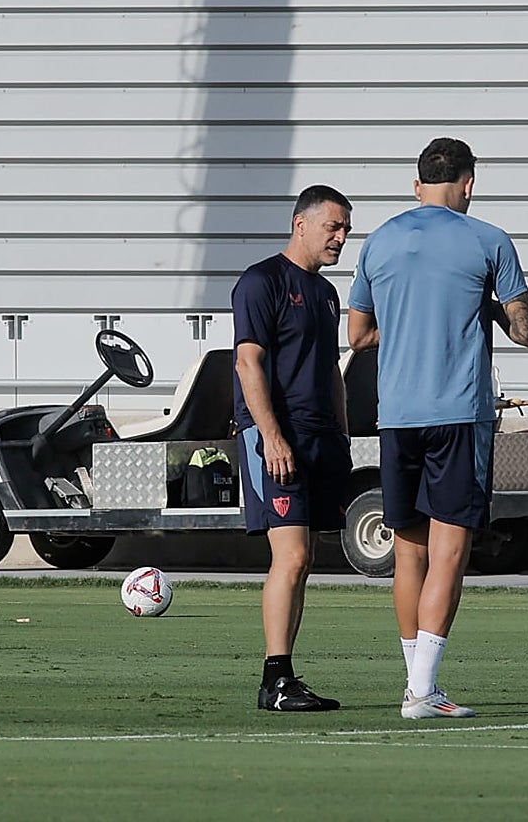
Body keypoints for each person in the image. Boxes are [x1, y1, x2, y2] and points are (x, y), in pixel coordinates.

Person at [346, 138, 528, 719]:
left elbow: (358, 335)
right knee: (450, 552)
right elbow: (527, 331)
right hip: (458, 414)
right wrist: (487, 309)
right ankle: (423, 692)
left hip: (396, 416)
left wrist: (406, 328)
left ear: (416, 185)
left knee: (408, 552)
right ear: (469, 183)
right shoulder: (488, 240)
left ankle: (418, 685)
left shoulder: (378, 242)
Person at [232, 184, 354, 712]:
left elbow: (330, 371)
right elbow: (247, 363)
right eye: (333, 226)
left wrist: (344, 435)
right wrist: (272, 437)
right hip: (274, 438)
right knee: (293, 555)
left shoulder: (326, 295)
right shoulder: (262, 282)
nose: (341, 238)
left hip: (319, 438)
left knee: (305, 561)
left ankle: (284, 679)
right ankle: (274, 680)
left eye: (346, 228)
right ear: (300, 224)